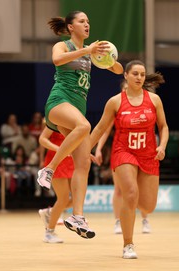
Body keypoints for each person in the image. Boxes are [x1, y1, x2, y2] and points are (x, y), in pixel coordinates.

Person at [35, 10, 123, 239]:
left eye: (88, 22)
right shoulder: (63, 46)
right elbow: (56, 60)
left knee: (83, 162)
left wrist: (107, 56)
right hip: (58, 102)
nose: (87, 24)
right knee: (84, 126)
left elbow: (119, 70)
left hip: (77, 107)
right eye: (82, 21)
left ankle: (77, 216)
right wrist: (88, 50)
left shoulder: (92, 53)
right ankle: (49, 169)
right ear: (71, 26)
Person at [90, 60, 168, 259]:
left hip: (148, 153)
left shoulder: (154, 100)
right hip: (124, 151)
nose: (139, 78)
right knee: (130, 194)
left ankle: (134, 216)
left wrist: (162, 146)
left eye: (142, 74)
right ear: (125, 75)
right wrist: (85, 149)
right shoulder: (115, 102)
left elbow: (164, 127)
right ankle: (128, 244)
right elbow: (100, 128)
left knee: (148, 206)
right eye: (135, 74)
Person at [94, 80, 153, 235]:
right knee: (120, 190)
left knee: (138, 189)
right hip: (121, 152)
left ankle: (145, 219)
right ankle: (118, 221)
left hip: (141, 152)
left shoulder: (146, 103)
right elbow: (104, 130)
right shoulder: (117, 103)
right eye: (125, 88)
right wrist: (98, 149)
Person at [38, 126, 74, 243]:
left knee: (77, 198)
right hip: (56, 160)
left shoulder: (75, 120)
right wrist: (59, 149)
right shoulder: (54, 120)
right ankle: (49, 232)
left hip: (71, 160)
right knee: (63, 198)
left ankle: (50, 212)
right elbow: (42, 139)